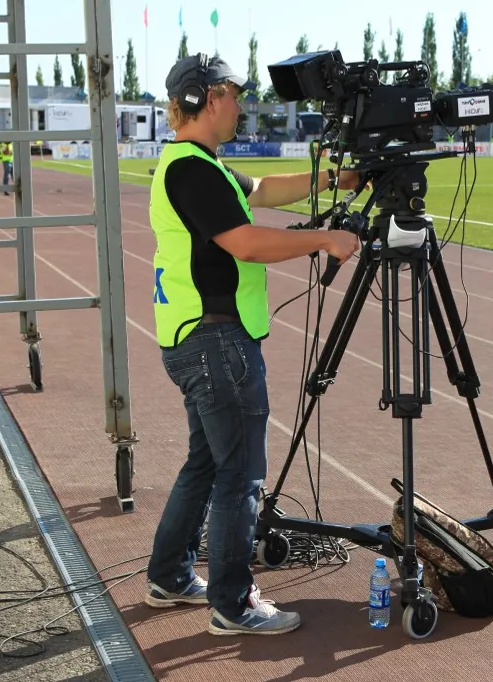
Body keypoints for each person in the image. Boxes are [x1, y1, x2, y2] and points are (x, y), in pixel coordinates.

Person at [144, 53, 361, 636]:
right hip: (217, 341)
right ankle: (233, 604)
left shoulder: (196, 164)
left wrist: (333, 179)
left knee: (206, 463)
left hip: (195, 337)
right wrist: (325, 239)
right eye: (234, 94)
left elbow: (261, 190)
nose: (240, 105)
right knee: (239, 475)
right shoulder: (193, 171)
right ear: (208, 98)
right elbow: (245, 243)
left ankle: (169, 575)